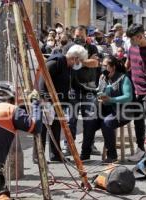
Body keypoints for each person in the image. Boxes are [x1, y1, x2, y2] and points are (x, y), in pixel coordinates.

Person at [37, 44, 88, 162]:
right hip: (46, 101)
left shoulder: (69, 67)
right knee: (43, 129)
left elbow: (75, 84)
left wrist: (91, 91)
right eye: (79, 60)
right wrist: (44, 100)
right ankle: (38, 157)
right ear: (74, 58)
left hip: (58, 102)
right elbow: (43, 79)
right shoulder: (56, 62)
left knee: (55, 128)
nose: (80, 63)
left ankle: (55, 155)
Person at [81, 55, 133, 163]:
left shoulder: (123, 78)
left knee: (107, 122)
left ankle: (112, 155)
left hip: (123, 111)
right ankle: (85, 154)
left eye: (105, 65)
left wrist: (111, 99)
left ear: (112, 67)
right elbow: (99, 91)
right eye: (101, 65)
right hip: (105, 110)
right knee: (89, 121)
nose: (102, 67)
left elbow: (128, 97)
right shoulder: (102, 77)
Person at [62, 25, 101, 156]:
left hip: (89, 87)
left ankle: (88, 147)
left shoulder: (92, 47)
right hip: (72, 88)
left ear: (86, 35)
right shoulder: (68, 47)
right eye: (77, 36)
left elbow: (95, 63)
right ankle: (69, 147)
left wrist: (80, 62)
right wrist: (85, 61)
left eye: (81, 35)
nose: (78, 38)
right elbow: (65, 62)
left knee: (89, 119)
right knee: (71, 119)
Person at [125, 24, 146, 162]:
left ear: (140, 36)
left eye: (132, 39)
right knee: (138, 122)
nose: (131, 42)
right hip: (135, 91)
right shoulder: (132, 48)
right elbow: (127, 65)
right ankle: (140, 150)